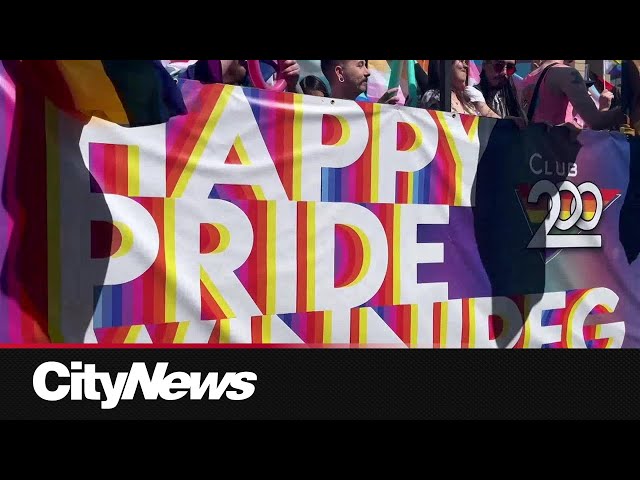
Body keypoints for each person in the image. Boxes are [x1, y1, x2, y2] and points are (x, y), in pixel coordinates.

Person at [519, 60, 626, 130]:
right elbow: (596, 122)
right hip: (559, 157)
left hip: (533, 155)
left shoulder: (527, 78)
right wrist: (627, 109)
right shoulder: (566, 73)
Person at [420, 60, 498, 117]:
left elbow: (498, 128)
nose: (466, 66)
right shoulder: (433, 96)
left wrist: (483, 107)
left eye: (465, 62)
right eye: (461, 60)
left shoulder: (468, 101)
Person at [320, 59, 400, 104]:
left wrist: (378, 114)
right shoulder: (317, 117)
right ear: (340, 73)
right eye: (360, 65)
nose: (368, 72)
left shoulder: (369, 114)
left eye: (365, 65)